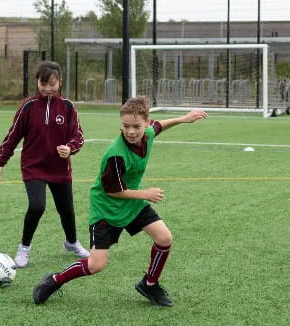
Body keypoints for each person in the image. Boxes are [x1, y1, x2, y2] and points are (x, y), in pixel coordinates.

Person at [32, 96, 208, 306]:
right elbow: (113, 191)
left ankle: (149, 285)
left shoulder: (148, 133)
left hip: (131, 204)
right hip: (107, 208)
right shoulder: (116, 154)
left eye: (136, 126)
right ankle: (54, 281)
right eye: (126, 126)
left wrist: (183, 119)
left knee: (164, 238)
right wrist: (145, 194)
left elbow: (159, 126)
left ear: (146, 122)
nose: (131, 131)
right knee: (96, 265)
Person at [0, 61, 89, 268]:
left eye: (52, 84)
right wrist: (1, 161)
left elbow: (78, 136)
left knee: (66, 209)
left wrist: (70, 148)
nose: (47, 88)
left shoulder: (68, 107)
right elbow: (13, 136)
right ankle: (24, 248)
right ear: (37, 82)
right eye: (43, 83)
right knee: (37, 206)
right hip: (33, 166)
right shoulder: (28, 106)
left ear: (60, 82)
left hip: (59, 167)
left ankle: (72, 242)